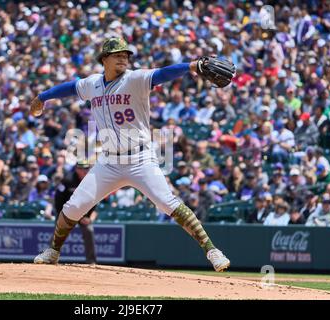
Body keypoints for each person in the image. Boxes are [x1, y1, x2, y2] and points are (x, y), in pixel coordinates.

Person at [31, 38, 233, 271]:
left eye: (126, 55)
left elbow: (163, 74)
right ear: (104, 59)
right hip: (109, 161)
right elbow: (69, 87)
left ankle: (212, 250)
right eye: (117, 54)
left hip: (140, 158)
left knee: (169, 204)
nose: (123, 58)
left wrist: (192, 66)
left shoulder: (135, 79)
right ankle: (53, 252)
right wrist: (42, 97)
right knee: (72, 208)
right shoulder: (92, 84)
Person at [53, 160, 97, 264]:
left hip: (83, 214)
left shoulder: (91, 181)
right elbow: (58, 200)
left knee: (89, 231)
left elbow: (94, 200)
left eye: (86, 168)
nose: (84, 171)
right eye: (81, 169)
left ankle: (91, 261)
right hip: (66, 213)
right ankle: (50, 258)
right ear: (77, 169)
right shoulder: (67, 180)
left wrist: (87, 216)